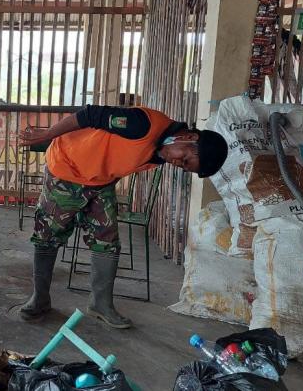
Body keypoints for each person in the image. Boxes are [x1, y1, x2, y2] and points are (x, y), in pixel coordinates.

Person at [17, 105, 227, 327]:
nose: (178, 164)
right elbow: (89, 115)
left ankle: (100, 304)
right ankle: (39, 299)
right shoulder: (142, 124)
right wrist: (48, 133)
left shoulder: (159, 154)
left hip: (99, 182)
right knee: (47, 235)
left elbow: (119, 158)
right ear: (189, 137)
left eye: (185, 168)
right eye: (184, 159)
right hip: (66, 169)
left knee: (107, 242)